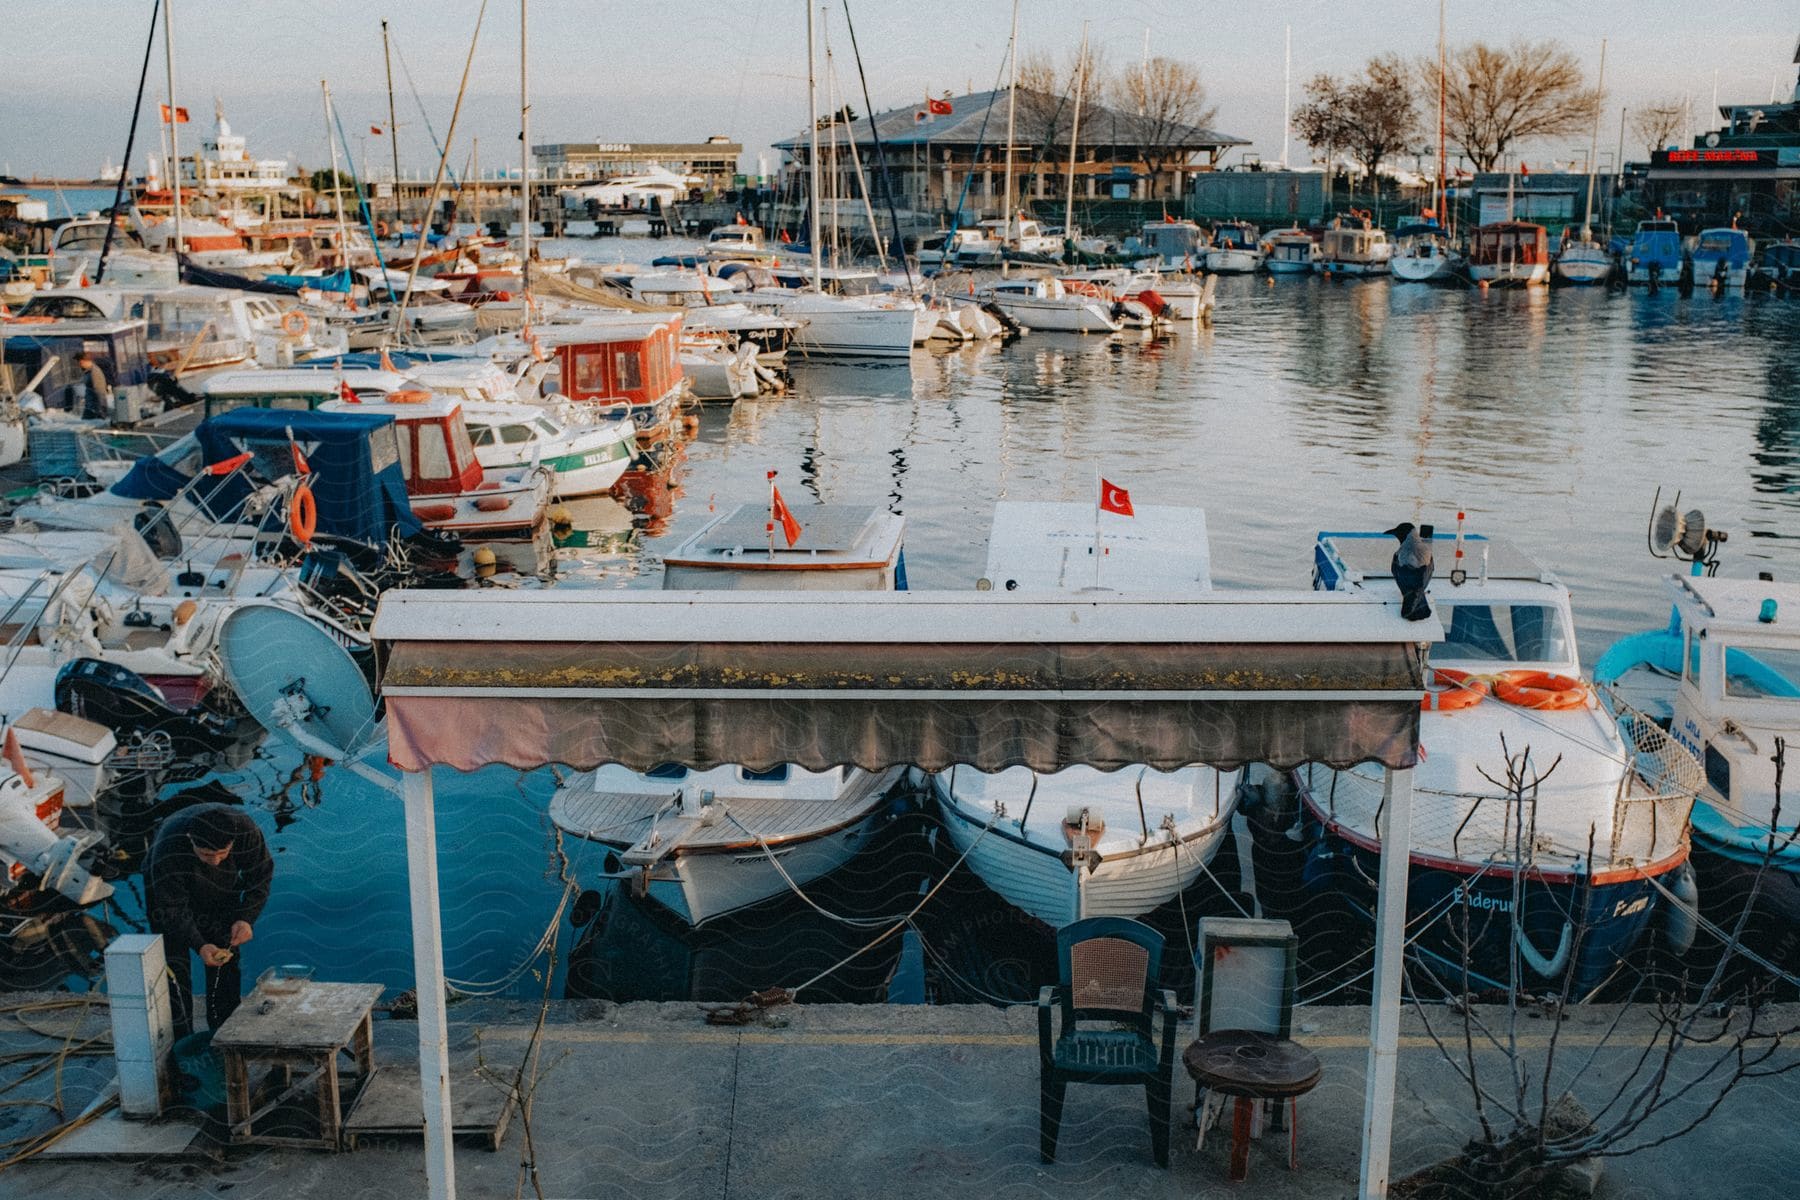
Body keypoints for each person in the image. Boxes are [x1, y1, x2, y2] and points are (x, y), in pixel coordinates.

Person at [144, 803, 274, 1037]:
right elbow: (172, 908)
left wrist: (246, 918)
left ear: (232, 843)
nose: (214, 860)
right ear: (191, 840)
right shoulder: (169, 847)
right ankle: (180, 1036)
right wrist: (199, 944)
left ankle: (224, 1028)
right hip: (166, 888)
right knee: (174, 963)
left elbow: (260, 877)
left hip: (223, 888)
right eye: (206, 854)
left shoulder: (245, 831)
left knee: (226, 950)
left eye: (221, 854)